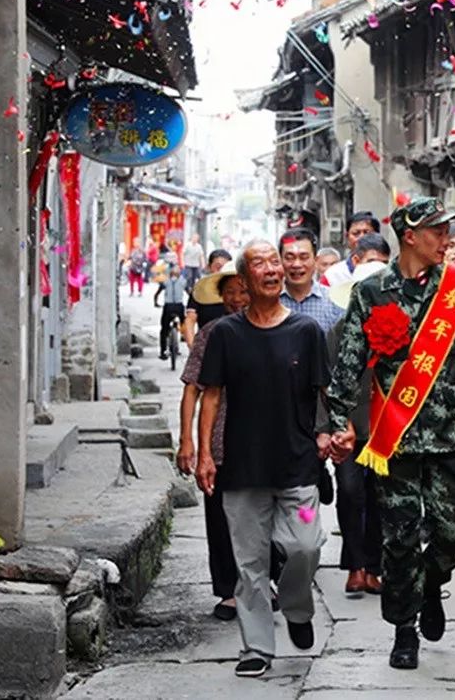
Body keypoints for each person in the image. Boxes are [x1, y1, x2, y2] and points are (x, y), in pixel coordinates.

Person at [326, 196, 455, 670]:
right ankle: (403, 629)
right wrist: (339, 421)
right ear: (409, 235)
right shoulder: (372, 293)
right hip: (396, 440)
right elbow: (349, 362)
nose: (446, 240)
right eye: (436, 231)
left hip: (452, 432)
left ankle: (430, 586)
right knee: (400, 538)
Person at [196, 240, 353, 678]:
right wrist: (205, 452)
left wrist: (337, 429)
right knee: (248, 564)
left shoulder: (305, 331)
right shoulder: (226, 334)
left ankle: (298, 608)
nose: (272, 269)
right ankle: (257, 648)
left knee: (306, 545)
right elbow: (211, 396)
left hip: (298, 465)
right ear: (244, 282)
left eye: (275, 262)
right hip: (242, 469)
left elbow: (325, 390)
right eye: (260, 264)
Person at [176, 262, 264, 620]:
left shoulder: (279, 327)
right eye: (231, 292)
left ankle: (263, 582)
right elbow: (193, 391)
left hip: (265, 438)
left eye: (244, 290)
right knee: (221, 514)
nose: (238, 298)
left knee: (265, 514)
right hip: (222, 436)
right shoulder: (211, 334)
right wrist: (188, 442)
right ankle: (229, 589)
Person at [327, 261, 390, 597]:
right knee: (350, 492)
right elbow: (328, 384)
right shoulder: (338, 330)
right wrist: (336, 426)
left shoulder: (398, 330)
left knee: (381, 496)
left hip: (387, 426)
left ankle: (375, 567)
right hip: (349, 425)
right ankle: (355, 565)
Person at [278, 228, 345, 335]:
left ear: (316, 260)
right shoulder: (270, 301)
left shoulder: (334, 302)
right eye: (290, 258)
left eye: (304, 257)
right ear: (280, 260)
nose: (297, 264)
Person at [183, 249, 232, 346]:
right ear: (209, 267)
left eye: (226, 267)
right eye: (218, 266)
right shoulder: (199, 290)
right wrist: (192, 346)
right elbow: (190, 319)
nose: (221, 271)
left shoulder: (241, 289)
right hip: (207, 345)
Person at [322, 211, 381, 288]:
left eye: (367, 233)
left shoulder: (386, 271)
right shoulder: (332, 276)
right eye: (356, 233)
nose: (361, 238)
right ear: (347, 236)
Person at [158, 265, 187, 360]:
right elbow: (190, 293)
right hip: (179, 307)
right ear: (179, 274)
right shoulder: (183, 282)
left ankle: (163, 351)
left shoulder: (166, 282)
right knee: (184, 324)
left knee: (164, 329)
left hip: (168, 307)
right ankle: (183, 335)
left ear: (170, 274)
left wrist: (156, 302)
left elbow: (157, 293)